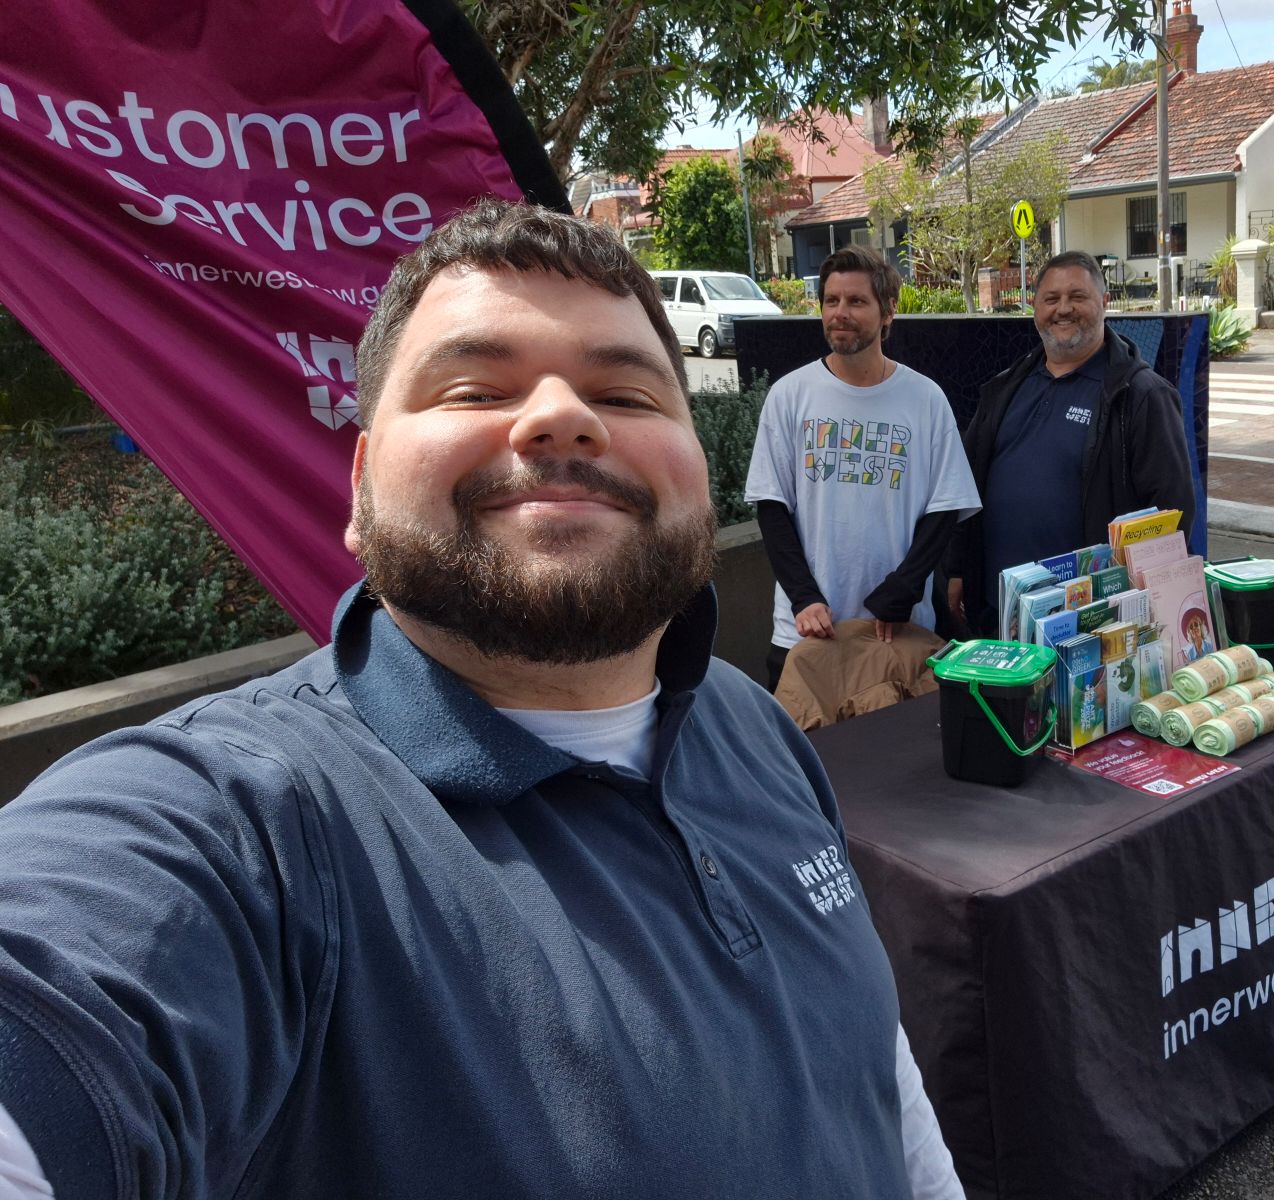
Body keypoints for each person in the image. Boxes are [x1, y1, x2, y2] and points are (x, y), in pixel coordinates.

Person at [0, 201, 963, 1200]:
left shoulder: (752, 722)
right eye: (471, 386)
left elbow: (870, 1065)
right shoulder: (242, 830)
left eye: (628, 396)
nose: (561, 416)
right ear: (361, 486)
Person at [745, 245, 979, 690]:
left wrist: (906, 587)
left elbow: (946, 507)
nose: (840, 313)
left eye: (856, 301)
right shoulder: (789, 396)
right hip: (809, 630)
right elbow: (772, 507)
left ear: (888, 312)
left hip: (897, 630)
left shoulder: (925, 399)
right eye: (831, 301)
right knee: (810, 757)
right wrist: (804, 596)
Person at [946, 250, 1195, 637]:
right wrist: (957, 567)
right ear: (1035, 307)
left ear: (1104, 303)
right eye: (1051, 299)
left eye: (1077, 297)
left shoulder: (1140, 395)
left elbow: (1172, 514)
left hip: (1088, 626)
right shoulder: (1007, 387)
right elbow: (967, 481)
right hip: (1000, 610)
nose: (1063, 309)